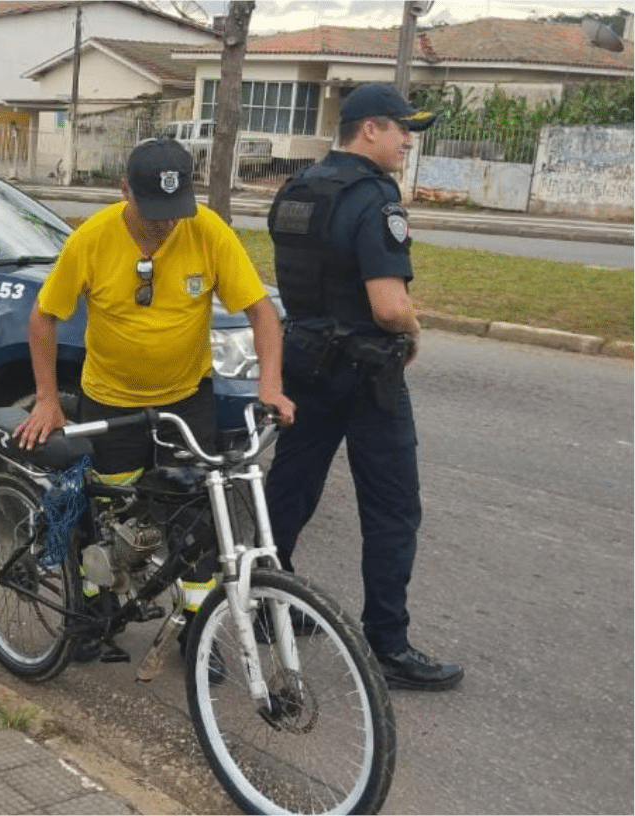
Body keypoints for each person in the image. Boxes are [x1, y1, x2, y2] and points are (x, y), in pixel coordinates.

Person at [15, 137, 294, 661]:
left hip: (185, 402)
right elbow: (43, 317)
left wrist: (270, 385)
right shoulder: (92, 239)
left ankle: (197, 633)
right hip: (111, 404)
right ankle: (95, 613)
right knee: (112, 519)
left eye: (175, 210)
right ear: (125, 191)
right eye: (154, 211)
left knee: (195, 518)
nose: (167, 222)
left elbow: (261, 312)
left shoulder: (206, 230)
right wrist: (48, 398)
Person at [264, 83, 464, 691]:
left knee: (291, 487)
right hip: (366, 371)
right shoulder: (376, 198)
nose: (409, 141)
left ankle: (265, 603)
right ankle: (388, 644)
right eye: (402, 129)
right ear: (367, 130)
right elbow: (386, 304)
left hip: (305, 361)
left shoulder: (298, 188)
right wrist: (414, 327)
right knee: (392, 507)